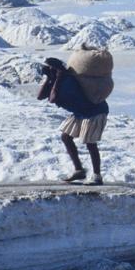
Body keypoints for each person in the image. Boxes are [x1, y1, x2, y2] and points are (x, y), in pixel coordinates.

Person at [38, 57, 109, 185]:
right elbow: (40, 96)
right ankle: (79, 170)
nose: (49, 71)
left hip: (94, 111)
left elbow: (52, 98)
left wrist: (58, 78)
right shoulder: (56, 81)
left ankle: (97, 176)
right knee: (66, 137)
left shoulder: (68, 81)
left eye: (51, 69)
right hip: (81, 112)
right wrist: (49, 78)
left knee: (90, 142)